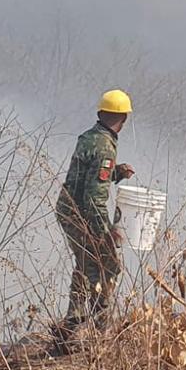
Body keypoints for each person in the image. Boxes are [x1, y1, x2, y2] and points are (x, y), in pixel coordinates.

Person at [49, 88, 136, 354]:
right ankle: (100, 331)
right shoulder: (106, 148)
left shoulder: (90, 137)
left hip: (69, 210)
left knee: (87, 264)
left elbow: (88, 178)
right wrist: (107, 232)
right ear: (123, 118)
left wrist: (116, 174)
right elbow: (94, 199)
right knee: (108, 265)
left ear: (100, 114)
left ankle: (71, 325)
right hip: (82, 215)